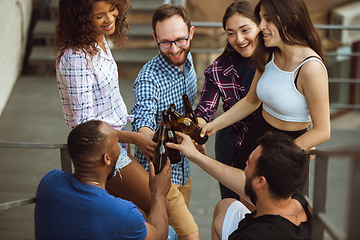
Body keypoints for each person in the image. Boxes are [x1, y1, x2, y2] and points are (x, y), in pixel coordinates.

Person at [201, 0, 330, 190]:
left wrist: (274, 154)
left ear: (291, 20)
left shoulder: (311, 67)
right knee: (242, 205)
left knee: (278, 215)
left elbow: (323, 131)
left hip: (288, 147)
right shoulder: (267, 53)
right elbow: (251, 101)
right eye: (260, 19)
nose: (261, 27)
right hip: (256, 136)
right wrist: (212, 127)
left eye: (267, 19)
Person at [55, 0, 152, 215]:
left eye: (112, 10)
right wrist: (135, 138)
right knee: (156, 200)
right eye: (99, 16)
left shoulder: (99, 41)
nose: (109, 19)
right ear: (81, 20)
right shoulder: (76, 58)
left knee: (129, 214)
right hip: (102, 153)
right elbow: (85, 127)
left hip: (116, 143)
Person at [34, 120, 176, 240]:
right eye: (118, 145)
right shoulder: (123, 213)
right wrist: (158, 193)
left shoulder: (49, 182)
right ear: (107, 158)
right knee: (170, 233)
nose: (121, 151)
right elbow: (159, 235)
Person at [131, 4, 199, 240]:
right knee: (191, 235)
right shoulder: (149, 78)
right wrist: (144, 131)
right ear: (154, 38)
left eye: (180, 40)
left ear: (191, 32)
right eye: (165, 42)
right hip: (159, 173)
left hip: (184, 169)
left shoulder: (188, 61)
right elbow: (143, 112)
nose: (174, 49)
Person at [167, 131, 312, 240]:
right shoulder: (297, 200)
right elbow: (240, 181)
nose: (244, 167)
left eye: (248, 164)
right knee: (227, 205)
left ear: (260, 182)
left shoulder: (252, 235)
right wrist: (196, 156)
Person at [194, 1, 259, 200]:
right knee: (234, 207)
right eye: (231, 33)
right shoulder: (219, 69)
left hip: (272, 145)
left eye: (245, 30)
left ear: (260, 26)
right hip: (231, 145)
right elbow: (205, 111)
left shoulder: (277, 61)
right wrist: (197, 130)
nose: (239, 39)